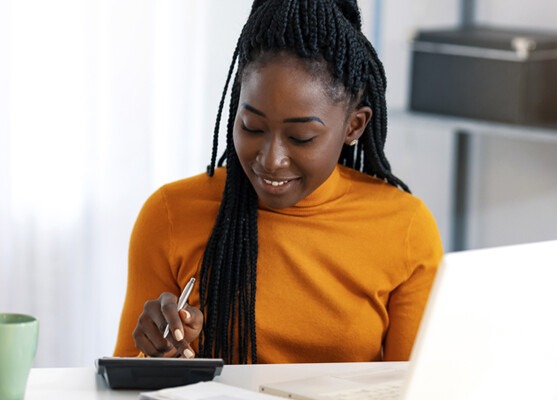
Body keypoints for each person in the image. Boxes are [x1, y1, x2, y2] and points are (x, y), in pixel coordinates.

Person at [113, 0, 443, 364]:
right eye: (252, 127)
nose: (271, 160)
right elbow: (124, 385)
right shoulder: (171, 214)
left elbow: (417, 388)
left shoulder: (405, 229)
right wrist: (158, 354)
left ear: (354, 126)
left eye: (301, 137)